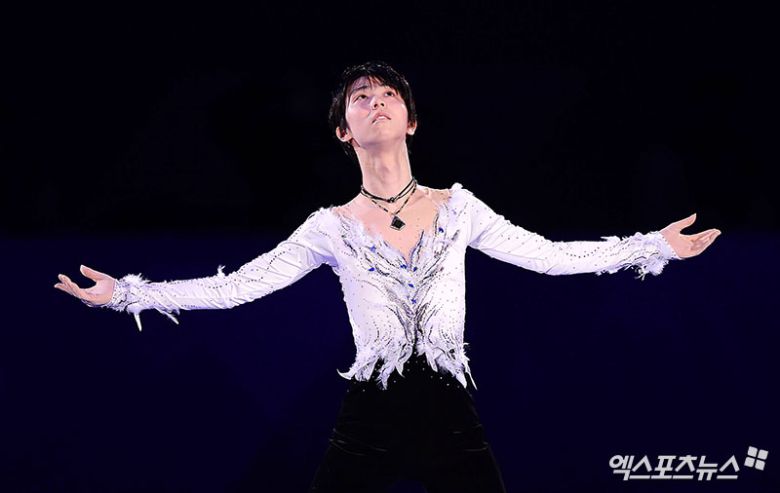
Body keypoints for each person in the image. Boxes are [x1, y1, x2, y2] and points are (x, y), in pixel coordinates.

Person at [54, 61, 721, 492]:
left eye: (389, 95)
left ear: (411, 120)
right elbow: (237, 287)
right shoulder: (330, 227)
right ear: (343, 131)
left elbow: (548, 255)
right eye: (360, 98)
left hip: (450, 413)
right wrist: (127, 294)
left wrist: (651, 246)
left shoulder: (458, 208)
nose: (376, 102)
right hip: (369, 415)